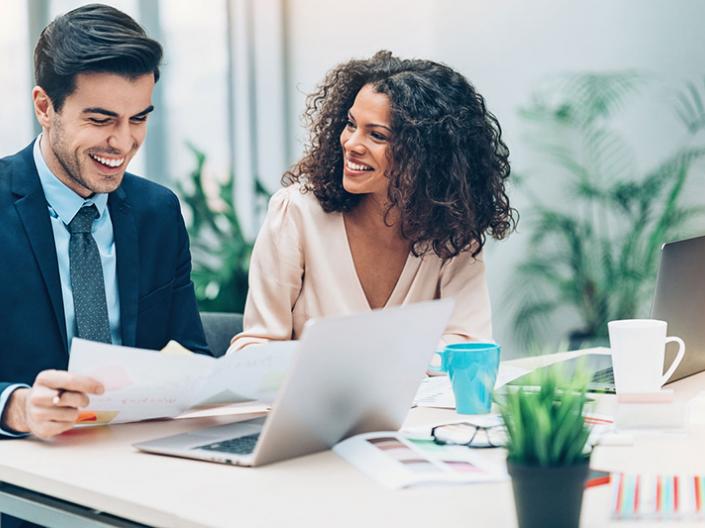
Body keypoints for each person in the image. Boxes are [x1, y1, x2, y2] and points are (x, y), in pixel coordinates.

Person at [0, 4, 210, 445]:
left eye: (138, 118)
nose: (123, 142)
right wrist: (16, 406)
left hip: (141, 461)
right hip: (24, 483)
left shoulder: (159, 213)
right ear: (44, 106)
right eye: (100, 120)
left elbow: (192, 355)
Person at [230, 51, 517, 351]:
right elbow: (253, 348)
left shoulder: (452, 229)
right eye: (351, 124)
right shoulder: (297, 212)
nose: (351, 143)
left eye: (377, 135)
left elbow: (470, 344)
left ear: (426, 155)